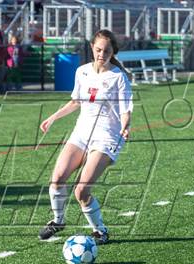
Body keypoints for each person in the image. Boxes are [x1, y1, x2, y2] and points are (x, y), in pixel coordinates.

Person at [38, 29, 133, 245]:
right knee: (57, 179)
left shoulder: (118, 77)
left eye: (106, 51)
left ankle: (100, 232)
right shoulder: (82, 71)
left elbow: (126, 110)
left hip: (107, 137)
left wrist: (126, 126)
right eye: (98, 49)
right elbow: (76, 102)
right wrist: (52, 118)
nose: (101, 54)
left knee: (81, 191)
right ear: (92, 47)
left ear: (112, 52)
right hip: (81, 132)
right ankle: (58, 220)